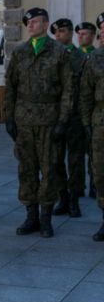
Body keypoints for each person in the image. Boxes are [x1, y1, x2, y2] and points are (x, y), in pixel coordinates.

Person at [5, 7, 72, 238]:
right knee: (26, 169)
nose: (30, 25)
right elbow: (11, 86)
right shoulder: (20, 52)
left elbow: (68, 90)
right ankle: (30, 215)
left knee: (49, 169)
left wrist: (63, 120)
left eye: (34, 22)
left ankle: (46, 217)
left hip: (49, 120)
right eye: (28, 22)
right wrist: (9, 117)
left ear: (45, 24)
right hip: (24, 120)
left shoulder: (60, 52)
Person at [52, 19, 94, 217]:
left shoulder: (81, 57)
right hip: (54, 115)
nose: (59, 36)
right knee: (55, 159)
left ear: (70, 33)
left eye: (62, 31)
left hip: (75, 116)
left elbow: (86, 88)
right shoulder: (51, 56)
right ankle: (63, 197)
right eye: (56, 32)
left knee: (75, 160)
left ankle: (75, 198)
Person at [80, 32, 104, 241]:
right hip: (100, 121)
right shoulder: (95, 58)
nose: (103, 32)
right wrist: (86, 122)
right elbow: (86, 93)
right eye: (102, 28)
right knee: (100, 172)